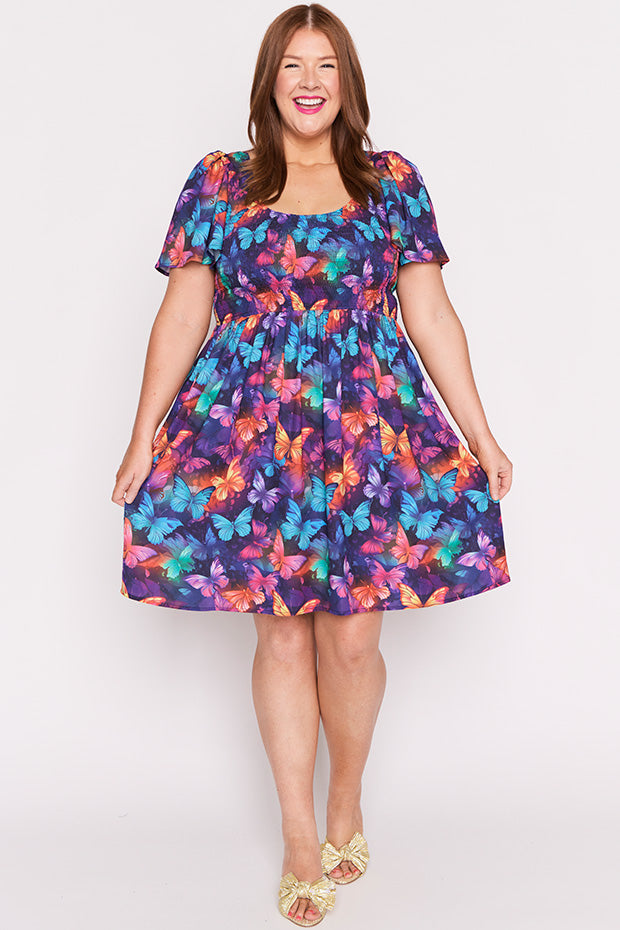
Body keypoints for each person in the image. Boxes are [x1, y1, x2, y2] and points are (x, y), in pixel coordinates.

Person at [111, 3, 512, 925]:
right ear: (270, 81)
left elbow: (430, 313)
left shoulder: (391, 181)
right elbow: (184, 313)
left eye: (326, 65)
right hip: (253, 437)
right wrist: (142, 435)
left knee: (354, 635)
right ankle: (299, 835)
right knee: (283, 633)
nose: (309, 80)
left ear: (346, 82)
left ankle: (346, 799)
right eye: (293, 64)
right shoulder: (220, 182)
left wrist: (482, 434)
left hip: (371, 431)